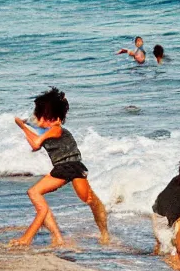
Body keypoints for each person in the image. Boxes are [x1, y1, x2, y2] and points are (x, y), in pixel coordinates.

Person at [11, 87, 108, 247]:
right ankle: (58, 237)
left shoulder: (55, 129)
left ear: (51, 117)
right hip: (66, 167)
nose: (38, 120)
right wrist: (24, 125)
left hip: (71, 166)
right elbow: (36, 145)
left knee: (89, 200)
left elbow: (36, 142)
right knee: (36, 193)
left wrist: (22, 127)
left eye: (40, 116)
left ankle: (27, 239)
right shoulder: (50, 129)